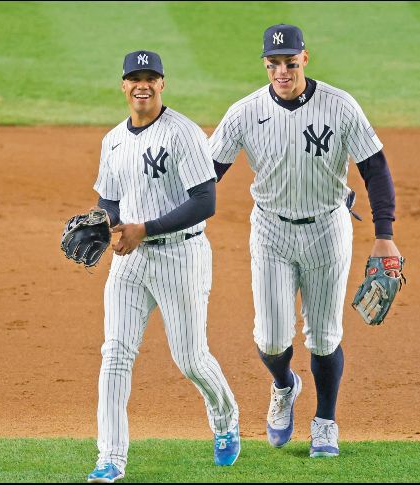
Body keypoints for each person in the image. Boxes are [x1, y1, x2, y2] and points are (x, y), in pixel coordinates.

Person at [209, 24, 401, 458]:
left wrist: (384, 235)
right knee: (272, 339)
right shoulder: (244, 113)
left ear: (305, 59)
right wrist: (158, 220)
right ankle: (284, 385)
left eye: (290, 62)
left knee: (324, 338)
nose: (282, 70)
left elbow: (376, 170)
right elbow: (206, 176)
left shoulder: (340, 107)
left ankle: (325, 423)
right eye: (274, 63)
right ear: (265, 63)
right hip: (271, 231)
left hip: (328, 230)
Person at [86, 50, 240, 483]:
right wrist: (103, 224)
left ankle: (225, 417)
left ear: (162, 83)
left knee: (190, 359)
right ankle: (110, 458)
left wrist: (144, 228)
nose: (142, 85)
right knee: (115, 355)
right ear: (123, 85)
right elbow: (110, 201)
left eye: (150, 78)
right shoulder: (113, 140)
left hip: (181, 256)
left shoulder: (184, 134)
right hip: (130, 262)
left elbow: (205, 202)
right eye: (135, 78)